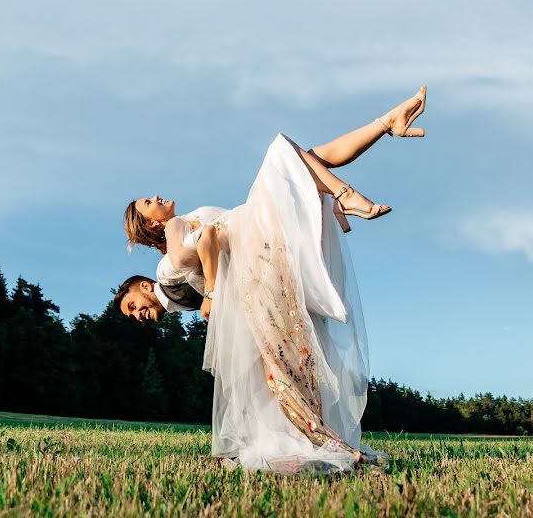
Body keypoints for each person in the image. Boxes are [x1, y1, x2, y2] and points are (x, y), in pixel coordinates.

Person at [121, 86, 427, 474]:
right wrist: (213, 291)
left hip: (261, 252)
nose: (156, 195)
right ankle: (349, 186)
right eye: (149, 202)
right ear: (152, 224)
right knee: (289, 153)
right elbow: (206, 243)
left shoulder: (172, 263)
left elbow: (203, 256)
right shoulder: (172, 243)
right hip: (260, 248)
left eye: (132, 307)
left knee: (301, 160)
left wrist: (211, 294)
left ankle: (383, 128)